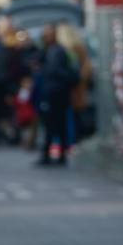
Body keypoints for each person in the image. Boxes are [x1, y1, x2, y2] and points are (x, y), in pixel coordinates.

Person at [35, 24, 79, 166]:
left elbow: (55, 70)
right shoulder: (50, 50)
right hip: (56, 92)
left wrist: (49, 71)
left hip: (55, 92)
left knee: (53, 124)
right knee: (57, 124)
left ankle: (52, 155)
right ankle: (57, 154)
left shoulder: (57, 51)